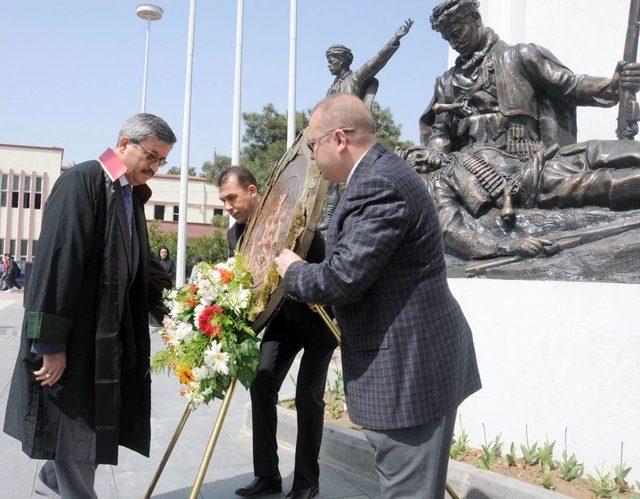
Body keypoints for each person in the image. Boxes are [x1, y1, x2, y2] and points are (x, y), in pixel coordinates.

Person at [275, 95, 481, 499]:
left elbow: (342, 279)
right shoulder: (375, 176)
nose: (311, 155)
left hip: (408, 372)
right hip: (411, 362)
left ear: (338, 139)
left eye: (312, 145)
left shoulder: (378, 184)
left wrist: (293, 271)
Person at [3, 113, 175, 498]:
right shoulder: (83, 182)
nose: (155, 167)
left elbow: (141, 264)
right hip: (76, 337)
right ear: (124, 144)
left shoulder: (128, 193)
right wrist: (49, 345)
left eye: (162, 161)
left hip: (108, 337)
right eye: (151, 155)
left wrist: (178, 311)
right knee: (75, 432)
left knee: (96, 426)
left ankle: (51, 481)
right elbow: (56, 265)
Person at [218, 166, 337, 499]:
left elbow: (324, 264)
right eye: (224, 200)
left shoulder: (294, 218)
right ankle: (268, 476)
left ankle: (306, 484)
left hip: (317, 320)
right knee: (262, 383)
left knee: (307, 399)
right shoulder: (235, 236)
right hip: (282, 321)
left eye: (232, 197)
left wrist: (317, 289)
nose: (228, 206)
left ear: (253, 191)